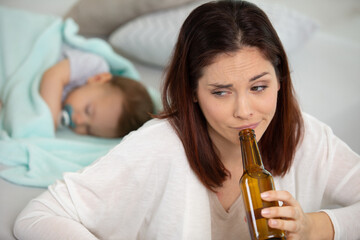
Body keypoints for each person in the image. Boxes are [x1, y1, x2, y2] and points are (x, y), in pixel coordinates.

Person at [14, 1, 359, 239]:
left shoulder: (305, 136)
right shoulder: (159, 146)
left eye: (259, 87)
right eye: (221, 92)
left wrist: (314, 228)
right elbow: (37, 217)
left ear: (280, 80)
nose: (245, 111)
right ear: (192, 92)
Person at [40, 45, 154, 138]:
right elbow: (53, 76)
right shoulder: (93, 66)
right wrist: (50, 124)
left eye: (88, 130)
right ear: (98, 79)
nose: (79, 121)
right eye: (88, 110)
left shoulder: (65, 116)